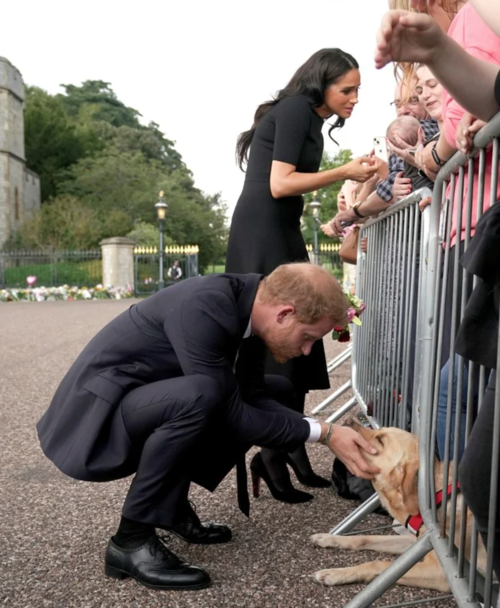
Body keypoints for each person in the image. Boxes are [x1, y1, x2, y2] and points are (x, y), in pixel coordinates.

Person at [36, 263, 379, 591]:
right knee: (203, 396)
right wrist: (327, 435)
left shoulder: (251, 308)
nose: (306, 351)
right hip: (95, 418)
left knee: (277, 390)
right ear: (285, 313)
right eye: (307, 337)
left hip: (140, 403)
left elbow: (253, 397)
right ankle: (131, 540)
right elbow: (231, 413)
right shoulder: (207, 304)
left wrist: (322, 427)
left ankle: (170, 508)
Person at [225, 48, 379, 502]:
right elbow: (279, 183)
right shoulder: (295, 110)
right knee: (281, 335)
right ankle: (276, 451)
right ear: (321, 84)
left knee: (298, 336)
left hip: (279, 227)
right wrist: (345, 171)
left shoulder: (308, 118)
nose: (353, 99)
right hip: (262, 228)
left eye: (357, 91)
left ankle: (288, 446)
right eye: (346, 90)